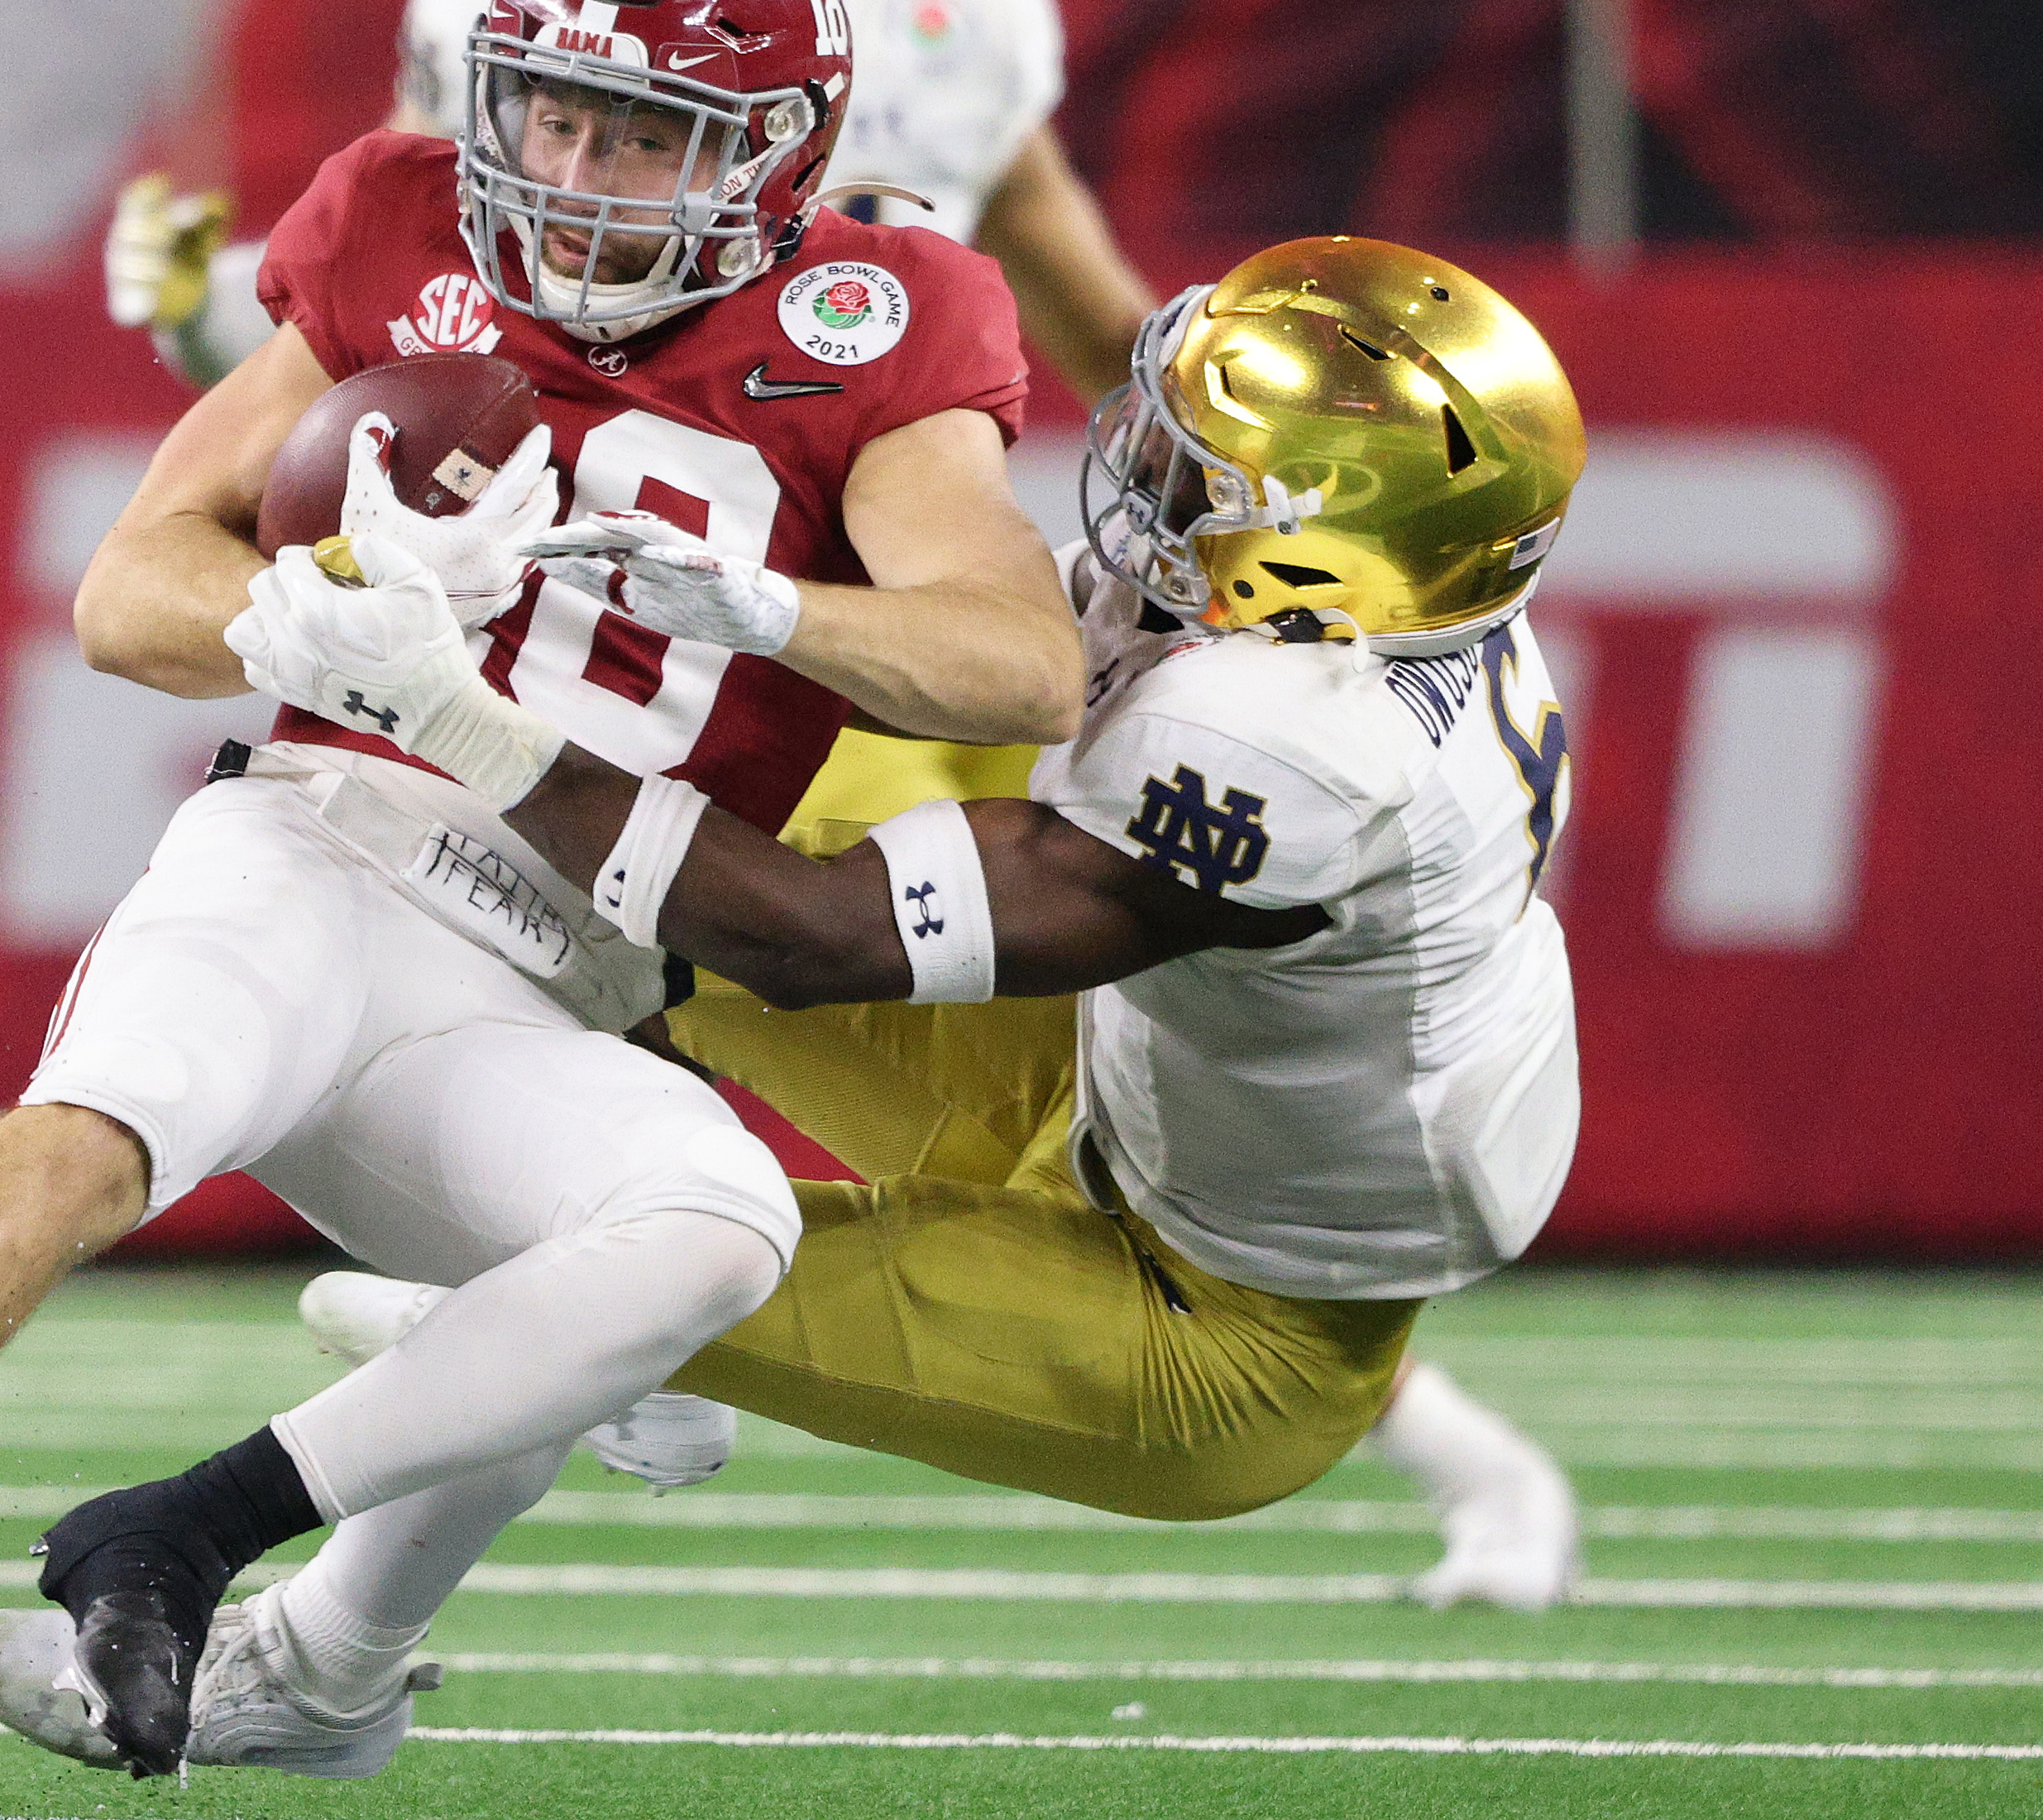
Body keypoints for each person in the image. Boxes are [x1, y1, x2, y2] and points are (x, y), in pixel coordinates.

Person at [0, 0, 1080, 1783]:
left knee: (704, 1238)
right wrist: (296, 628)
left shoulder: (882, 316)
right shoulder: (396, 215)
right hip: (314, 843)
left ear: (780, 155)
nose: (572, 168)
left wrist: (772, 607)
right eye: (551, 111)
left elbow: (1020, 669)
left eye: (646, 135)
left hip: (557, 971)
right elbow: (129, 591)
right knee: (97, 1126)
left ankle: (261, 1608)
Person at [157, 233, 1589, 1775]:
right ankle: (589, 1343)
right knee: (585, 904)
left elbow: (814, 936)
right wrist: (767, 602)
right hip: (1123, 1075)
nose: (1140, 464)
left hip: (1220, 1325)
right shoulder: (1373, 623)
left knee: (629, 1249)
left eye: (1202, 471)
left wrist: (455, 713)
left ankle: (318, 1669)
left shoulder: (1293, 748)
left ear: (1321, 558)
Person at [119, 0, 1152, 413]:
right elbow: (373, 303)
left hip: (864, 456)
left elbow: (1095, 323)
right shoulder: (516, 0)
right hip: (618, 444)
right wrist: (200, 312)